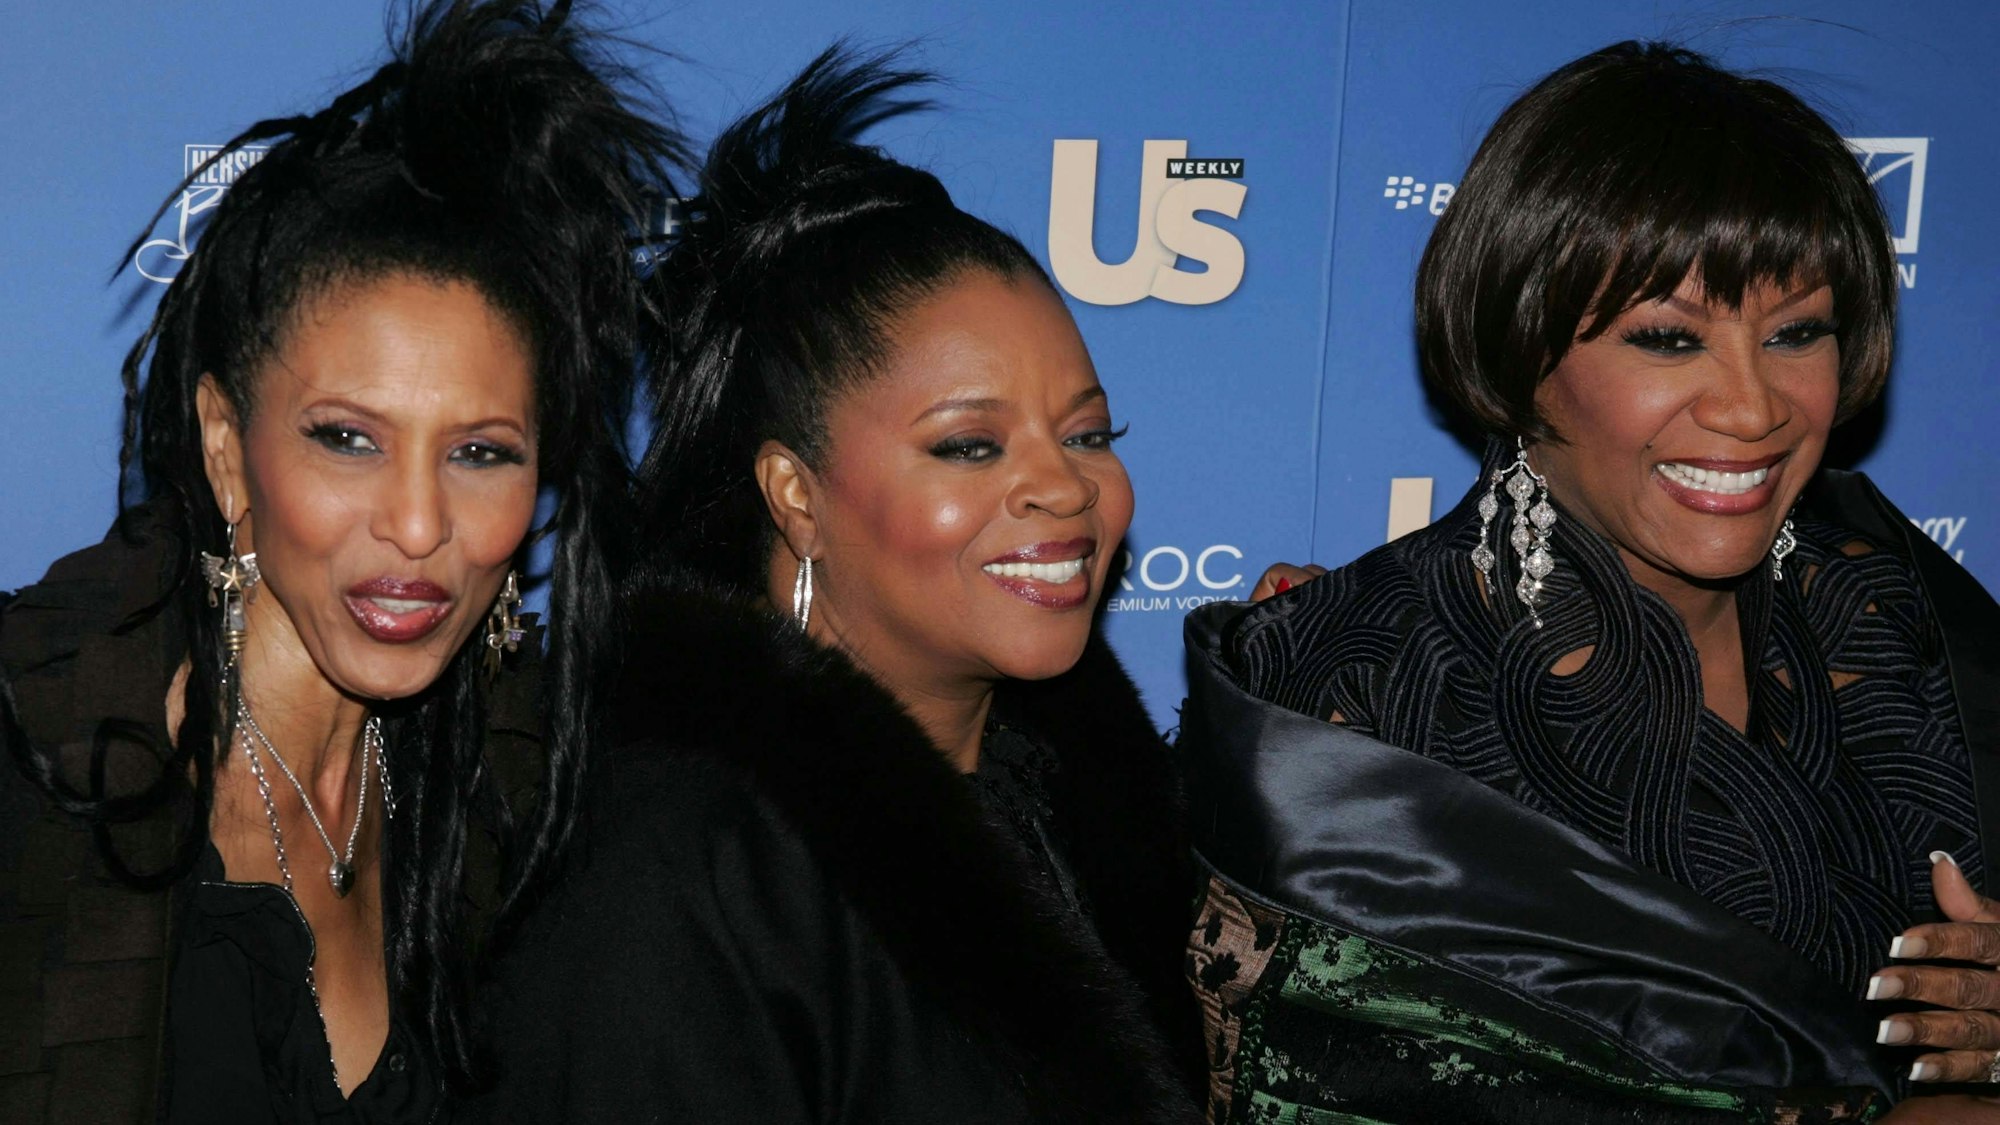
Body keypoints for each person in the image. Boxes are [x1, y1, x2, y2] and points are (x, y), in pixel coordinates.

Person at [1178, 42, 2000, 1123]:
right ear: (1516, 351)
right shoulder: (1345, 709)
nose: (1753, 408)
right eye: (1666, 339)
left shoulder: (1899, 618)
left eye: (1795, 333)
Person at [467, 50, 1203, 1123]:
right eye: (967, 447)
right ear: (795, 494)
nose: (1063, 487)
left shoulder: (1079, 805)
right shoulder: (674, 866)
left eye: (1086, 433)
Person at [0, 2, 682, 1119]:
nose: (417, 525)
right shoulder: (34, 771)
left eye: (480, 453)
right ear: (227, 450)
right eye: (348, 438)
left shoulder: (526, 802)